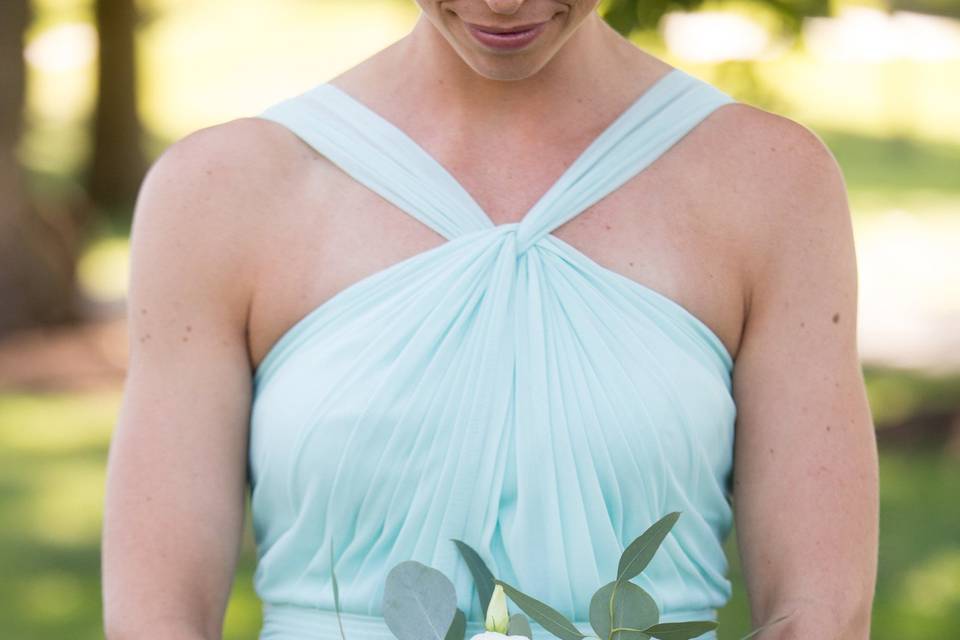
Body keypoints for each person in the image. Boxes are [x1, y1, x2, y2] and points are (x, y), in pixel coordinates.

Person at [101, 1, 880, 639]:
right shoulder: (218, 193)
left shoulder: (772, 185)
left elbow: (820, 612)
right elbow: (155, 615)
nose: (503, 4)